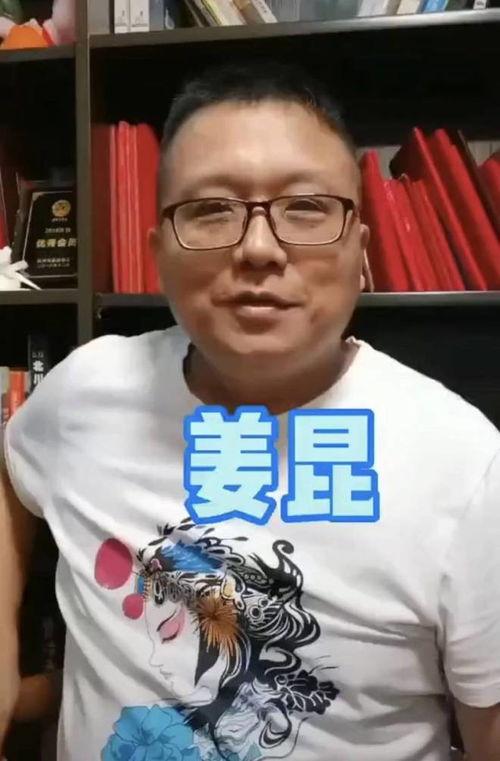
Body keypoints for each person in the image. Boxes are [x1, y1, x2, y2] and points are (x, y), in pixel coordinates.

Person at [1, 61, 500, 761]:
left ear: (361, 250)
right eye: (210, 211)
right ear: (158, 255)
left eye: (306, 208)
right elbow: (13, 476)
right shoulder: (85, 391)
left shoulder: (465, 465)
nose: (259, 249)